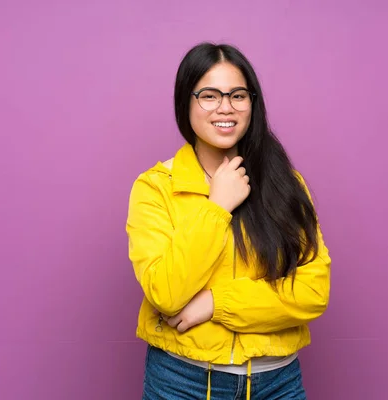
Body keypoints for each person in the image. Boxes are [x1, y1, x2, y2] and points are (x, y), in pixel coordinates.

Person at [125, 42, 332, 400]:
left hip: (278, 382)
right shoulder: (156, 187)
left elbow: (313, 292)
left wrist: (215, 303)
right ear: (185, 103)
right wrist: (217, 206)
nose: (225, 107)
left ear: (252, 102)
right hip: (181, 381)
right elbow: (165, 293)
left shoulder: (285, 183)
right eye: (209, 95)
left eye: (238, 95)